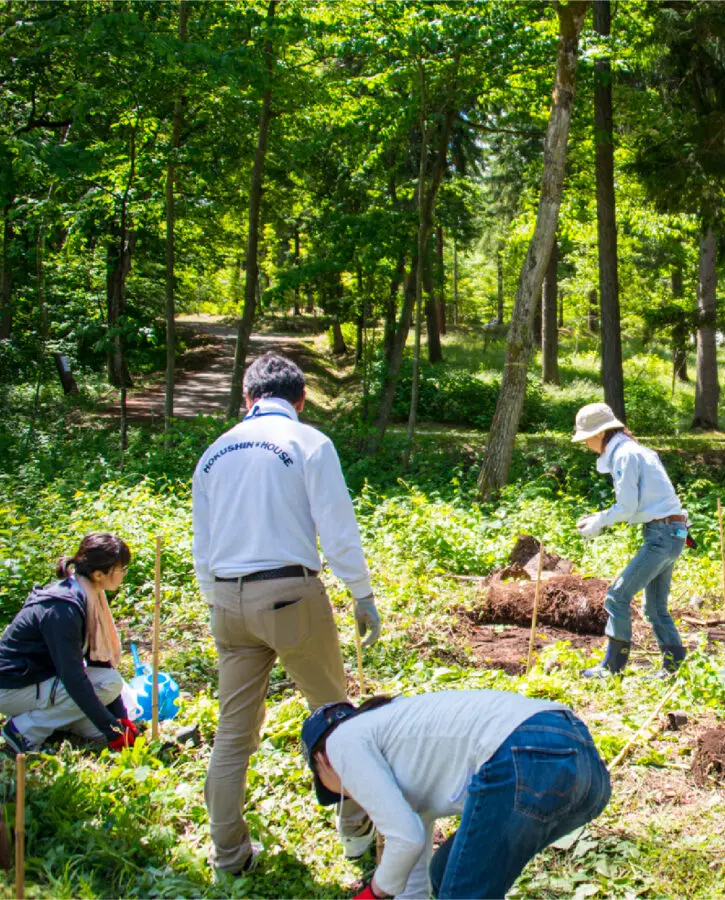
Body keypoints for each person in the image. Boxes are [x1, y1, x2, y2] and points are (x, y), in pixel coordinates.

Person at [192, 352, 381, 875]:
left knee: (232, 732)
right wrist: (361, 594)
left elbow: (202, 546)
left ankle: (228, 856)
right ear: (301, 400)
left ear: (246, 399)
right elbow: (338, 531)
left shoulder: (213, 452)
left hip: (227, 601)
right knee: (335, 716)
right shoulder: (309, 443)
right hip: (290, 595)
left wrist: (218, 600)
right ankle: (355, 829)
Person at [301, 691, 611, 900]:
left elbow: (406, 839)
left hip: (524, 752)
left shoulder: (340, 741)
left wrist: (373, 894)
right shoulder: (401, 747)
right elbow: (411, 858)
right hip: (584, 764)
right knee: (445, 872)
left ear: (321, 759)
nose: (351, 794)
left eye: (337, 789)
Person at [571, 402, 688, 678]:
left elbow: (625, 508)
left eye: (586, 436)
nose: (586, 443)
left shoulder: (625, 455)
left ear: (600, 433)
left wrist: (599, 521)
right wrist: (599, 517)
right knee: (655, 607)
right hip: (674, 532)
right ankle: (674, 668)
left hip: (661, 535)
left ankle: (612, 667)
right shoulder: (637, 451)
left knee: (616, 596)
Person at [0, 534, 140, 754]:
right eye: (121, 569)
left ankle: (42, 722)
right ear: (98, 574)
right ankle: (22, 730)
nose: (124, 574)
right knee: (109, 684)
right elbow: (74, 677)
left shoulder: (88, 595)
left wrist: (120, 720)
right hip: (13, 687)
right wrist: (113, 730)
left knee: (96, 727)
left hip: (42, 682)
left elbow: (99, 664)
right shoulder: (63, 609)